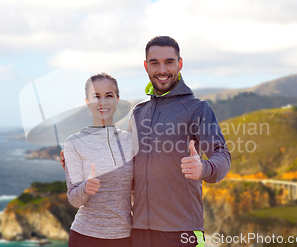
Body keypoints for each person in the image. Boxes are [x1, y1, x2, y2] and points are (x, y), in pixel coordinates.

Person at [62, 36, 231, 247]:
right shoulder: (139, 112)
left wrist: (204, 168)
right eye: (155, 63)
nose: (162, 70)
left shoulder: (197, 109)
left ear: (179, 64)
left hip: (182, 229)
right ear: (146, 66)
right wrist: (77, 157)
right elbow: (124, 158)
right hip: (139, 231)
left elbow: (222, 154)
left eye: (169, 62)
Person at [64, 73, 134, 247]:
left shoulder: (131, 141)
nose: (102, 102)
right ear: (87, 101)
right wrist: (85, 188)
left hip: (125, 236)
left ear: (117, 99)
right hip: (85, 237)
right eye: (96, 96)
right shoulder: (73, 143)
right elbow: (74, 199)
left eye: (109, 96)